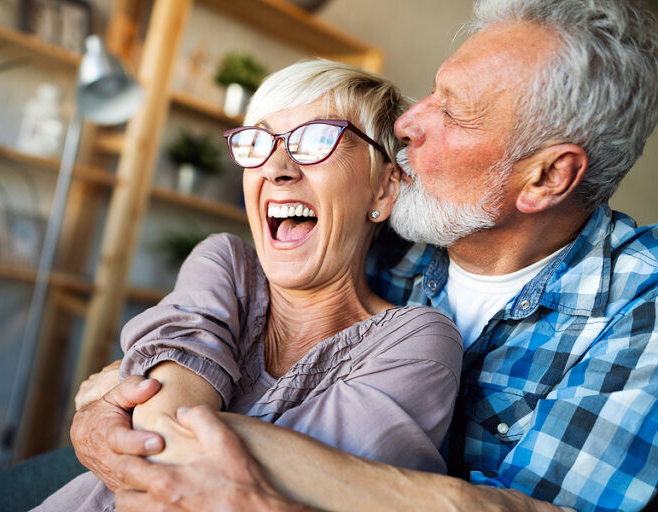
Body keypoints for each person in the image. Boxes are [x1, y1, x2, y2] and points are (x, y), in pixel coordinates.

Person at [70, 0, 658, 511]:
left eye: (453, 111)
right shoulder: (386, 236)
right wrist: (109, 411)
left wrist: (147, 412)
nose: (407, 121)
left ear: (547, 177)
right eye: (431, 91)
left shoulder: (641, 307)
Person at [33, 60, 463, 511]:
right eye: (258, 142)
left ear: (384, 188)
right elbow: (168, 436)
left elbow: (323, 487)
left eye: (317, 139)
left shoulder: (418, 342)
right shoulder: (225, 264)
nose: (276, 168)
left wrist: (120, 396)